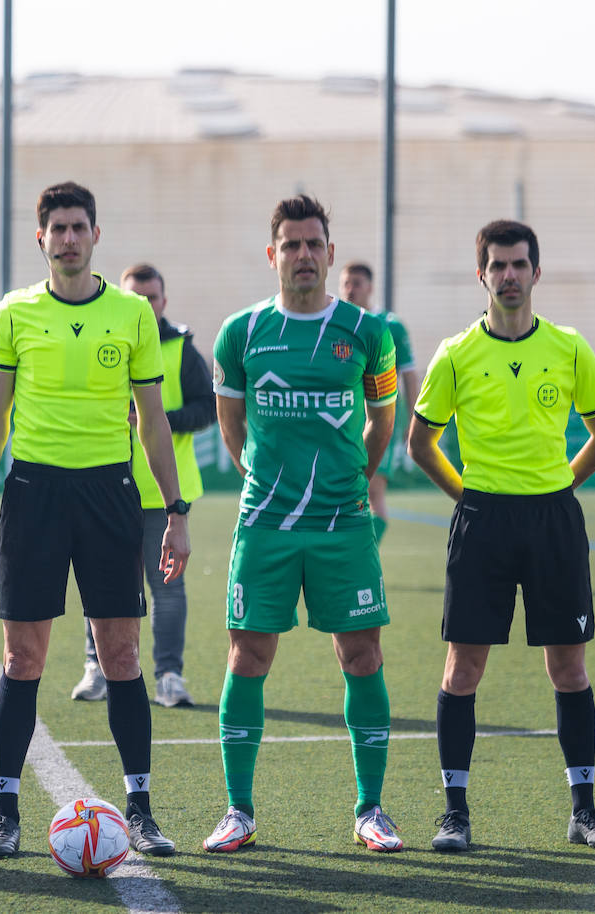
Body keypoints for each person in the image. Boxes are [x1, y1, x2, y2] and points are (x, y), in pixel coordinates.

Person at [0, 181, 190, 860]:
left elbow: (153, 422)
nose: (66, 238)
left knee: (121, 655)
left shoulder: (132, 315)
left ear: (96, 235)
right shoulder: (14, 313)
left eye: (77, 227)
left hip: (111, 496)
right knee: (22, 656)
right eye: (55, 228)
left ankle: (141, 809)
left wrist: (174, 512)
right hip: (33, 493)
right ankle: (5, 812)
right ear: (41, 240)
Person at [408, 219, 595, 852]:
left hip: (553, 520)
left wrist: (560, 486)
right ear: (481, 274)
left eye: (518, 264)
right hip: (483, 522)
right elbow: (421, 444)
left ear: (536, 271)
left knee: (569, 666)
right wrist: (467, 496)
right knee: (463, 668)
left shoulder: (570, 347)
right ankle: (455, 813)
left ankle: (584, 811)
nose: (508, 275)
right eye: (497, 265)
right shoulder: (455, 354)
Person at [205, 195, 402, 855]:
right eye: (290, 245)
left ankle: (371, 809)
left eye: (314, 243)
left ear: (331, 253)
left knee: (362, 655)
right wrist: (256, 474)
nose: (303, 255)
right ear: (273, 255)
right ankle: (238, 810)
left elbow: (383, 419)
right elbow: (231, 424)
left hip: (344, 523)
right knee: (248, 656)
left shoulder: (369, 333)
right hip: (265, 523)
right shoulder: (242, 333)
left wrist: (357, 478)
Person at [71, 263, 215, 708]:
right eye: (137, 296)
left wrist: (159, 421)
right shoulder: (103, 338)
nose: (146, 305)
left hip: (164, 497)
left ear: (164, 302)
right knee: (104, 585)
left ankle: (169, 675)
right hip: (107, 488)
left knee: (168, 590)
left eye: (152, 297)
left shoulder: (181, 351)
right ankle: (95, 668)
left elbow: (207, 407)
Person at [338, 262, 420, 540]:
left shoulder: (390, 326)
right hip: (343, 421)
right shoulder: (335, 325)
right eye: (346, 283)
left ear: (370, 288)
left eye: (357, 283)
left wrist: (413, 421)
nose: (350, 289)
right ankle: (353, 555)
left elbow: (409, 375)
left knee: (372, 491)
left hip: (381, 420)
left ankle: (362, 558)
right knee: (346, 493)